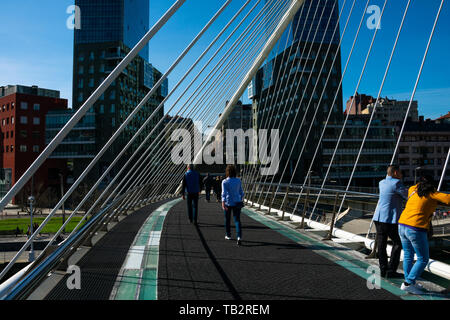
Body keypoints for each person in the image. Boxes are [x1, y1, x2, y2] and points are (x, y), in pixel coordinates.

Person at [398, 174, 450, 294]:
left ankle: (409, 282)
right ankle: (408, 283)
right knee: (423, 258)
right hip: (415, 228)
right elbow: (447, 198)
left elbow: (416, 189)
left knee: (408, 255)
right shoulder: (432, 193)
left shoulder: (413, 189)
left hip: (402, 225)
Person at [372, 165, 407, 278]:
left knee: (381, 244)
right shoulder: (397, 183)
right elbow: (408, 195)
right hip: (389, 219)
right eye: (400, 172)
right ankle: (391, 270)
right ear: (396, 173)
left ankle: (383, 270)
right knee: (398, 242)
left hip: (378, 217)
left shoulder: (381, 182)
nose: (401, 175)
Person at [221, 165, 244, 246]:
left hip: (228, 202)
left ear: (227, 172)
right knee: (237, 220)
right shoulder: (238, 181)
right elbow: (241, 192)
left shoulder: (224, 181)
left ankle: (228, 235)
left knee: (227, 219)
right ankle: (239, 237)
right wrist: (240, 198)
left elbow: (223, 193)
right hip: (237, 202)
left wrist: (223, 202)